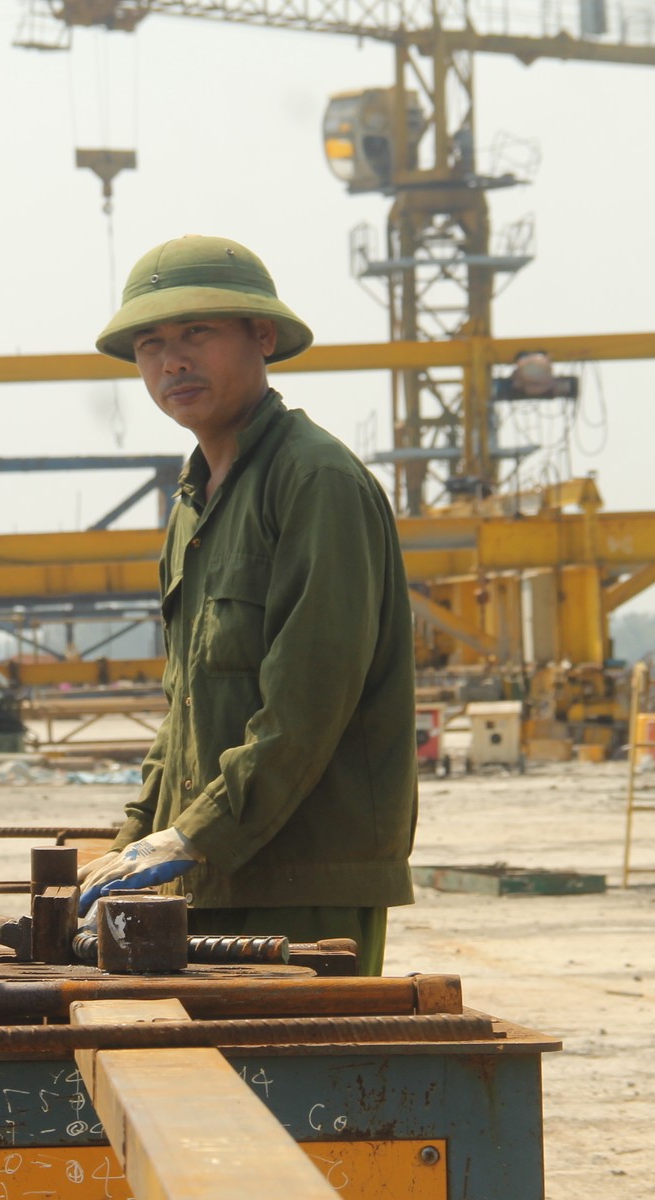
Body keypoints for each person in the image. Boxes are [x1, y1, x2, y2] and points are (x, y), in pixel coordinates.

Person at [75, 235, 418, 975]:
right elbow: (186, 711)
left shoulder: (314, 481)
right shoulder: (195, 502)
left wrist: (195, 836)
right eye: (152, 343)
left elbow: (306, 704)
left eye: (197, 333)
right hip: (209, 876)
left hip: (303, 885)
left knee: (294, 1089)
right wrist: (137, 838)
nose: (173, 362)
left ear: (262, 337)